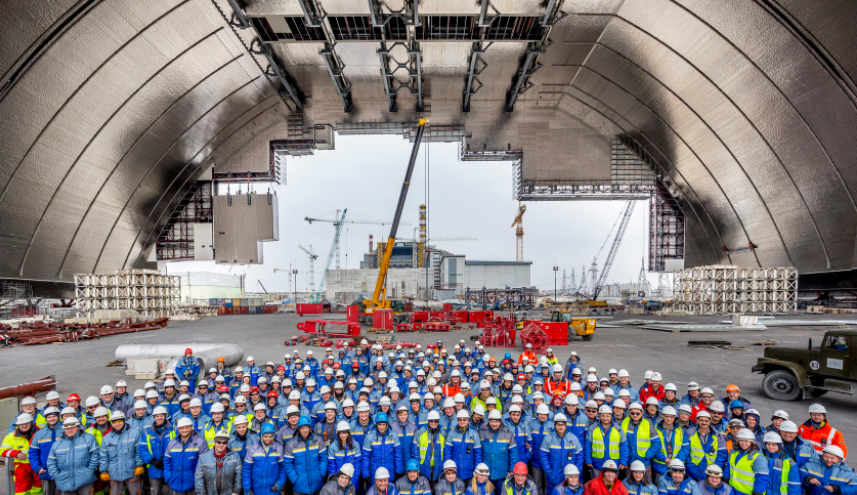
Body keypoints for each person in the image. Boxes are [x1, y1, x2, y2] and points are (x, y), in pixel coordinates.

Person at [47, 418, 100, 495]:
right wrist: (57, 476)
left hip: (85, 480)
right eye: (67, 428)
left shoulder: (89, 438)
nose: (69, 430)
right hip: (64, 482)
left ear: (78, 427)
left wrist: (89, 471)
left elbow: (95, 456)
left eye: (72, 428)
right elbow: (51, 462)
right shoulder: (57, 444)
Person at [99, 411, 144, 495]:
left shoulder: (134, 433)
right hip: (114, 471)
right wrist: (103, 471)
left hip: (132, 470)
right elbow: (104, 456)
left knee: (136, 492)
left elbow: (139, 451)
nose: (117, 424)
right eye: (114, 422)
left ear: (124, 420)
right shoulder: (107, 438)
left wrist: (139, 465)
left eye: (119, 421)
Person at [164, 417, 209, 495]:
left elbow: (205, 463)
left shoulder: (200, 442)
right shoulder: (172, 443)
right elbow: (166, 461)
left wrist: (201, 480)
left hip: (194, 484)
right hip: (176, 483)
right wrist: (169, 477)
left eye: (186, 427)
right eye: (181, 428)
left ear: (191, 427)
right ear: (178, 429)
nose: (184, 430)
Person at [283, 416, 327, 495]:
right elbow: (288, 464)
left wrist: (321, 473)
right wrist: (295, 479)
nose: (304, 430)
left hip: (317, 485)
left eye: (306, 427)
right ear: (298, 429)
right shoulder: (291, 444)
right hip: (300, 487)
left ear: (310, 428)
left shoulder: (318, 441)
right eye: (302, 428)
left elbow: (323, 458)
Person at [540, 413, 584, 489]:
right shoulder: (548, 438)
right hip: (554, 477)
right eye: (558, 424)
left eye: (562, 424)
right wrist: (549, 472)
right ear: (554, 425)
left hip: (570, 477)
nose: (560, 427)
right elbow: (543, 456)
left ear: (566, 425)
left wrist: (576, 471)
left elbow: (579, 455)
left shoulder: (573, 438)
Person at [1, 413, 42, 495]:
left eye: (26, 423)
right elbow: (2, 451)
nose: (24, 426)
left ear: (31, 423)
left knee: (38, 487)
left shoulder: (40, 434)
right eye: (21, 424)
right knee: (22, 490)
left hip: (38, 465)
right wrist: (16, 454)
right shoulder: (10, 437)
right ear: (17, 425)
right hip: (21, 467)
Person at [585, 406, 629, 478]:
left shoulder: (618, 429)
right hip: (597, 463)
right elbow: (588, 445)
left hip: (613, 464)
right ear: (599, 416)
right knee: (596, 486)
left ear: (611, 416)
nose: (605, 418)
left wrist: (623, 462)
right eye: (603, 415)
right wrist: (588, 460)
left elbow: (624, 446)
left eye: (607, 416)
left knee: (611, 487)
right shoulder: (592, 428)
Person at [194, 429, 242, 495]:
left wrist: (236, 492)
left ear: (227, 443)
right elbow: (199, 478)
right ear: (215, 442)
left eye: (224, 442)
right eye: (219, 442)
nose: (221, 445)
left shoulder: (235, 457)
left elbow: (238, 477)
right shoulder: (203, 458)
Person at [480, 410, 518, 490]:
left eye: (496, 421)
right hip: (486, 472)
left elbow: (513, 453)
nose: (494, 424)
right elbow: (478, 452)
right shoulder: (482, 432)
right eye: (492, 421)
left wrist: (512, 470)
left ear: (500, 422)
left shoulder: (508, 433)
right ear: (489, 421)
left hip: (502, 472)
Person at [245, 423, 287, 495]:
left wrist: (281, 482)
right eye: (266, 436)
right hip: (257, 489)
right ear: (261, 435)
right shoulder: (253, 449)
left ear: (273, 436)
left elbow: (283, 467)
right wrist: (247, 486)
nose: (268, 439)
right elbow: (246, 469)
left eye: (270, 436)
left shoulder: (279, 448)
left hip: (274, 489)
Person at [621, 403, 659, 481]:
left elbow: (657, 443)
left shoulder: (648, 424)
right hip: (629, 460)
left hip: (644, 461)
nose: (635, 415)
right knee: (629, 484)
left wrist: (647, 455)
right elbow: (620, 442)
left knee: (646, 483)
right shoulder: (624, 422)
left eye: (637, 413)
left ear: (641, 413)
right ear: (629, 413)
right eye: (633, 413)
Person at [363, 412, 402, 487]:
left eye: (384, 424)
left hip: (389, 471)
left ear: (387, 424)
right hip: (375, 472)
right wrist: (366, 474)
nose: (382, 427)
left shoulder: (393, 436)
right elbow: (366, 457)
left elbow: (397, 455)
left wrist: (398, 471)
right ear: (376, 425)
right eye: (380, 424)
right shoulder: (370, 437)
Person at [444, 410, 482, 486]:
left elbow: (478, 455)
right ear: (457, 420)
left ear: (468, 420)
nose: (462, 422)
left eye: (464, 419)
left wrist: (476, 470)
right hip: (454, 472)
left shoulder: (474, 434)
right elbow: (447, 453)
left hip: (469, 472)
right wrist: (448, 469)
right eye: (460, 420)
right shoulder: (451, 434)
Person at [723, 429, 768, 495]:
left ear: (751, 442)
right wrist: (725, 478)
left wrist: (758, 491)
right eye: (741, 440)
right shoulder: (733, 453)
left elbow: (762, 477)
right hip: (732, 490)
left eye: (746, 441)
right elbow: (728, 467)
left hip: (748, 492)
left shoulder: (758, 458)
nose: (743, 443)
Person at [685, 412, 727, 483]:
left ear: (710, 421)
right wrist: (689, 464)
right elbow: (685, 450)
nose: (704, 422)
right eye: (701, 420)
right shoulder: (689, 433)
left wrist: (715, 468)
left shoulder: (718, 435)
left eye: (706, 421)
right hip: (692, 471)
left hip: (710, 473)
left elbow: (722, 454)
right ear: (697, 420)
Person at [139, 406, 171, 495]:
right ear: (154, 417)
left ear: (165, 416)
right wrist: (152, 460)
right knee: (155, 492)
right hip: (154, 468)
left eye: (161, 415)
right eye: (157, 416)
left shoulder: (173, 430)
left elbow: (178, 447)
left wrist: (167, 459)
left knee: (173, 491)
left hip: (170, 467)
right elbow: (142, 449)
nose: (159, 418)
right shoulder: (147, 432)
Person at [29, 407, 62, 495]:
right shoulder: (39, 434)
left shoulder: (67, 430)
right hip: (46, 472)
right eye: (49, 417)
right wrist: (38, 468)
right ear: (46, 418)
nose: (51, 419)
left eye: (54, 416)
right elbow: (33, 453)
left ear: (58, 416)